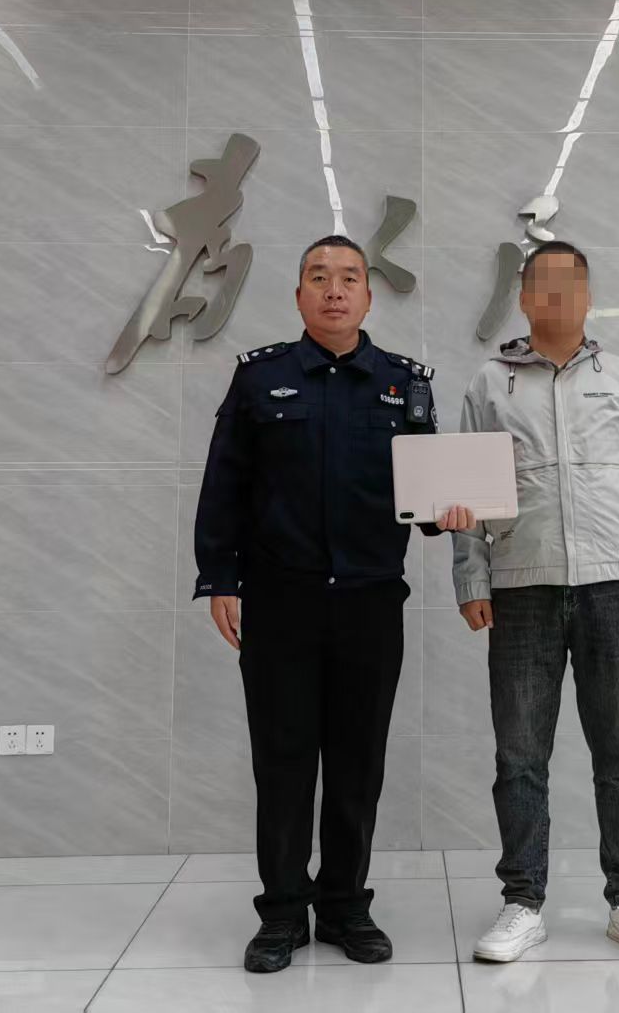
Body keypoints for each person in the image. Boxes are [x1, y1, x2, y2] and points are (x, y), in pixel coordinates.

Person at [194, 234, 471, 974]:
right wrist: (219, 578)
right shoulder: (261, 379)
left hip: (370, 603)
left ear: (369, 298)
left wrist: (452, 509)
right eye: (319, 277)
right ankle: (282, 912)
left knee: (357, 761)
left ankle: (346, 904)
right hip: (278, 602)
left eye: (349, 278)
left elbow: (425, 500)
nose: (335, 290)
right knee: (282, 761)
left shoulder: (403, 384)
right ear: (299, 296)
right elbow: (225, 484)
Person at [452, 240, 619, 963]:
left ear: (587, 296)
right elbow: (464, 494)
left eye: (569, 285)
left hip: (613, 586)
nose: (556, 298)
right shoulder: (490, 383)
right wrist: (471, 579)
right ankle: (522, 902)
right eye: (542, 286)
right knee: (520, 755)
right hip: (521, 587)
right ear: (523, 298)